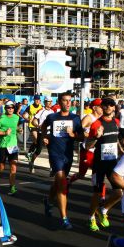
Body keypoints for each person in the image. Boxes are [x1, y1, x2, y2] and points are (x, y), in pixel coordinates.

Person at [41, 91, 84, 229]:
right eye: (65, 100)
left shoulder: (75, 118)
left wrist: (75, 135)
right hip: (55, 153)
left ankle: (48, 201)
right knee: (62, 183)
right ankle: (64, 218)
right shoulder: (52, 117)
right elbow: (43, 126)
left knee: (58, 183)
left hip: (68, 155)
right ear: (59, 102)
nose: (67, 103)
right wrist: (44, 137)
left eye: (69, 101)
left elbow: (82, 137)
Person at [88, 98, 124, 231]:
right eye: (106, 105)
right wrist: (96, 137)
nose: (108, 107)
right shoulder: (96, 124)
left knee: (119, 193)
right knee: (97, 194)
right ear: (102, 107)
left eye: (111, 105)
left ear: (114, 108)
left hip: (112, 163)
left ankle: (103, 210)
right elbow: (87, 145)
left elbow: (115, 139)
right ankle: (91, 218)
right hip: (99, 164)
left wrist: (121, 149)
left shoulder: (116, 122)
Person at [68, 98, 103, 186]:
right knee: (81, 174)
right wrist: (89, 135)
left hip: (98, 149)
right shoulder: (88, 117)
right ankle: (68, 182)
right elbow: (78, 131)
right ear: (95, 108)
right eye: (101, 106)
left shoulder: (102, 118)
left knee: (99, 171)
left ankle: (101, 196)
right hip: (87, 150)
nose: (103, 108)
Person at [0, 101, 21, 195]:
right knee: (1, 167)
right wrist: (4, 133)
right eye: (8, 107)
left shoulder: (16, 117)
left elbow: (15, 128)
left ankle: (12, 187)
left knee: (13, 167)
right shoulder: (2, 118)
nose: (10, 109)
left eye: (12, 107)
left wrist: (19, 130)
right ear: (5, 108)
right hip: (3, 146)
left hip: (13, 145)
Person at [27, 97, 54, 173]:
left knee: (51, 151)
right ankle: (31, 162)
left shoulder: (52, 111)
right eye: (48, 102)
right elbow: (34, 121)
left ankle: (51, 168)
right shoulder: (41, 110)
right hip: (42, 132)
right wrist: (38, 125)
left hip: (50, 133)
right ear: (45, 102)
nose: (50, 103)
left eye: (51, 102)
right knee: (38, 151)